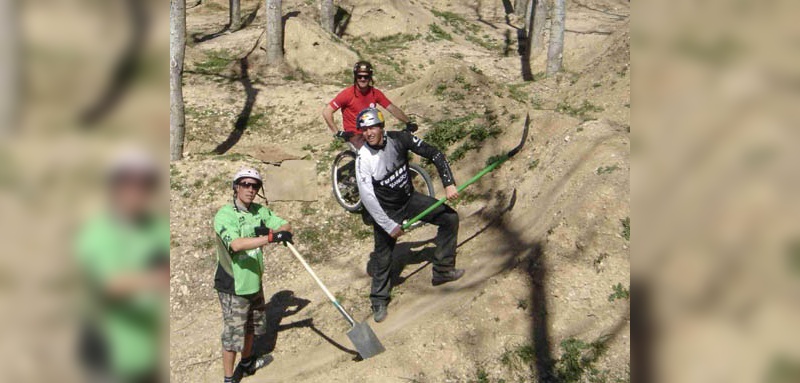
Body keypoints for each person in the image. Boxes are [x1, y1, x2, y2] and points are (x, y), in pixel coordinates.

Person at [354, 108, 465, 323]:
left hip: (409, 199)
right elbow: (367, 198)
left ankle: (442, 270)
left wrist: (449, 183)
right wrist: (388, 225)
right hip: (384, 210)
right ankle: (379, 300)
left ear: (381, 126)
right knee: (383, 256)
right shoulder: (363, 158)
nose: (368, 133)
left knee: (449, 218)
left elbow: (435, 153)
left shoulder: (400, 139)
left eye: (372, 127)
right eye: (364, 129)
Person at [76, 148, 169, 383]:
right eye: (128, 183)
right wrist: (155, 279)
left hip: (144, 350)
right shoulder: (97, 231)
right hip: (106, 355)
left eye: (143, 184)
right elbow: (110, 284)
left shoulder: (155, 227)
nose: (136, 191)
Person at [213, 168, 294, 383]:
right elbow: (236, 244)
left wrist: (283, 231)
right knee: (232, 335)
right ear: (236, 187)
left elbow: (284, 225)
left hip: (254, 280)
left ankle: (247, 363)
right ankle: (229, 378)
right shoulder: (225, 215)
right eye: (245, 184)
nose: (250, 189)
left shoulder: (259, 211)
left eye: (255, 185)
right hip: (233, 284)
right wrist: (270, 237)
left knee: (251, 325)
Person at [322, 61, 418, 149]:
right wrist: (337, 133)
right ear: (355, 77)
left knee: (392, 147)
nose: (362, 79)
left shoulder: (375, 93)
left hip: (372, 132)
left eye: (366, 76)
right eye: (359, 76)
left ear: (370, 77)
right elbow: (327, 112)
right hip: (355, 135)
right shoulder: (347, 94)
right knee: (368, 155)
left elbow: (392, 108)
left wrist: (408, 122)